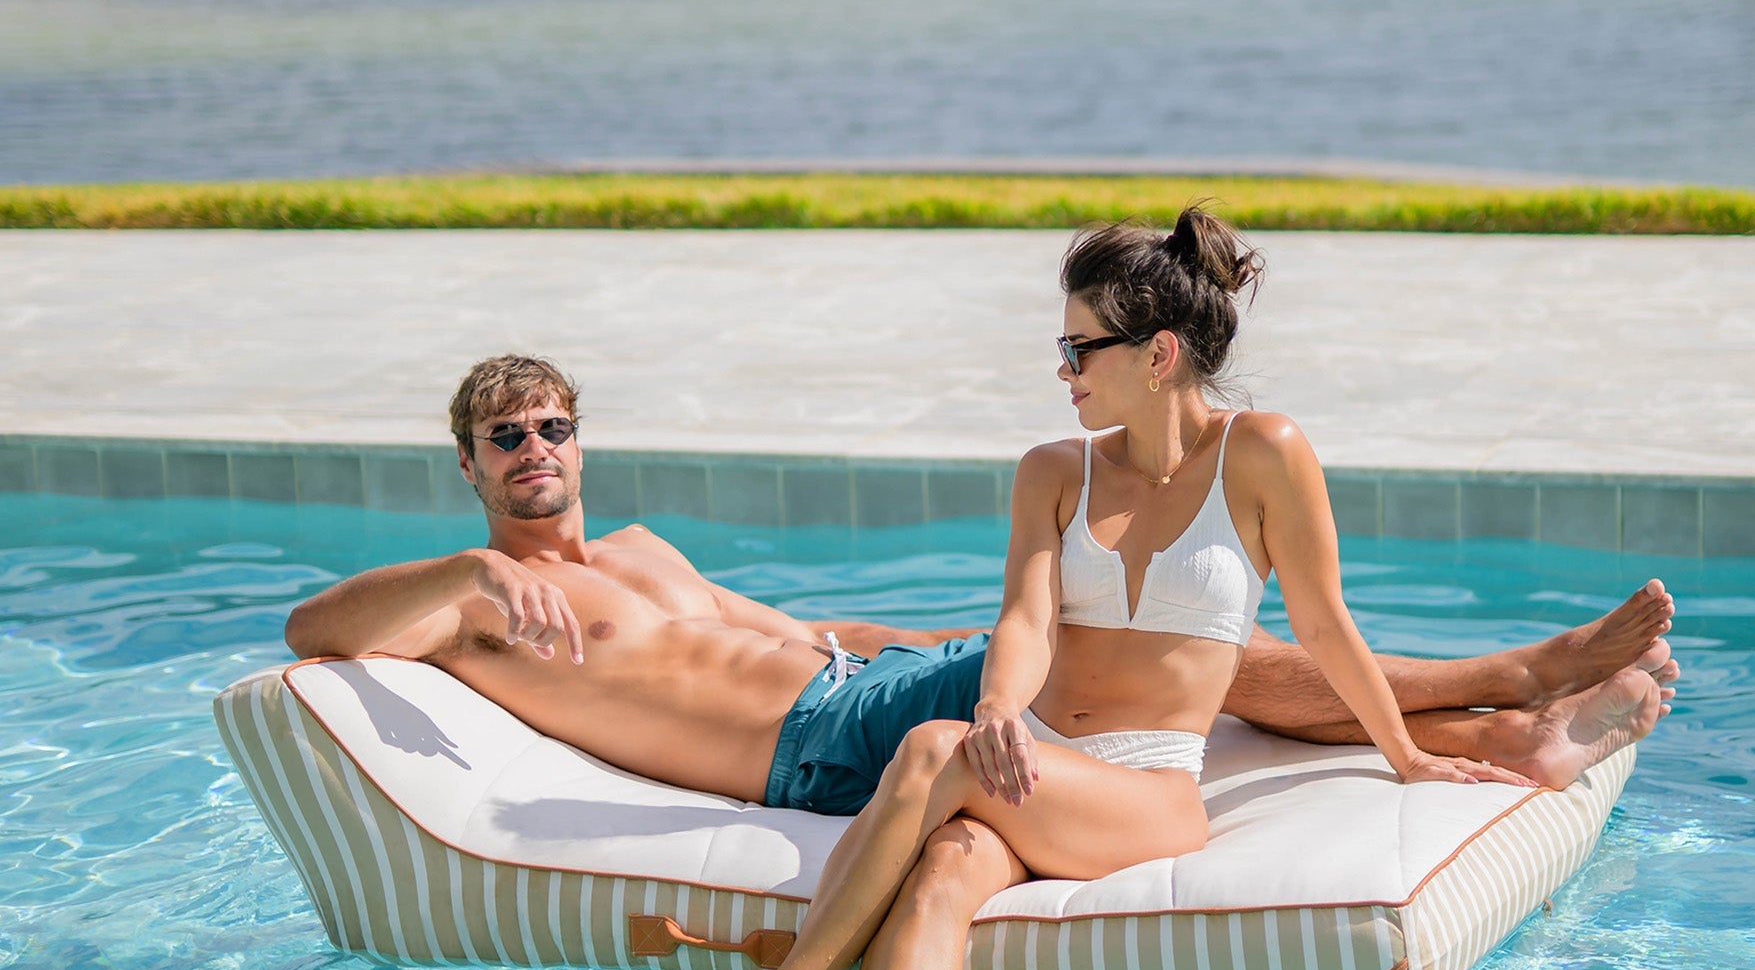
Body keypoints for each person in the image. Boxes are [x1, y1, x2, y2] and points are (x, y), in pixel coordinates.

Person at [626, 212, 1672, 970]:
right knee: (946, 860)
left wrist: (1400, 751)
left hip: (1144, 785)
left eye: (1079, 347)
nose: (1064, 370)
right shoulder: (1052, 469)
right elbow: (1027, 619)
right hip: (1030, 757)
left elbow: (1321, 625)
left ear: (1158, 354)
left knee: (927, 748)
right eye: (1062, 347)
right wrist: (995, 707)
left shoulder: (1261, 454)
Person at [284, 355, 1676, 810]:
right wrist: (472, 566)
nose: (536, 450)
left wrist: (939, 638)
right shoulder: (476, 596)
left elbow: (803, 630)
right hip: (810, 753)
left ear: (579, 437)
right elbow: (312, 630)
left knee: (1107, 639)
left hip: (853, 686)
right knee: (1122, 639)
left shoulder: (642, 553)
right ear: (469, 466)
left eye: (551, 426)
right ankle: (1510, 689)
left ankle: (1496, 727)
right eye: (505, 438)